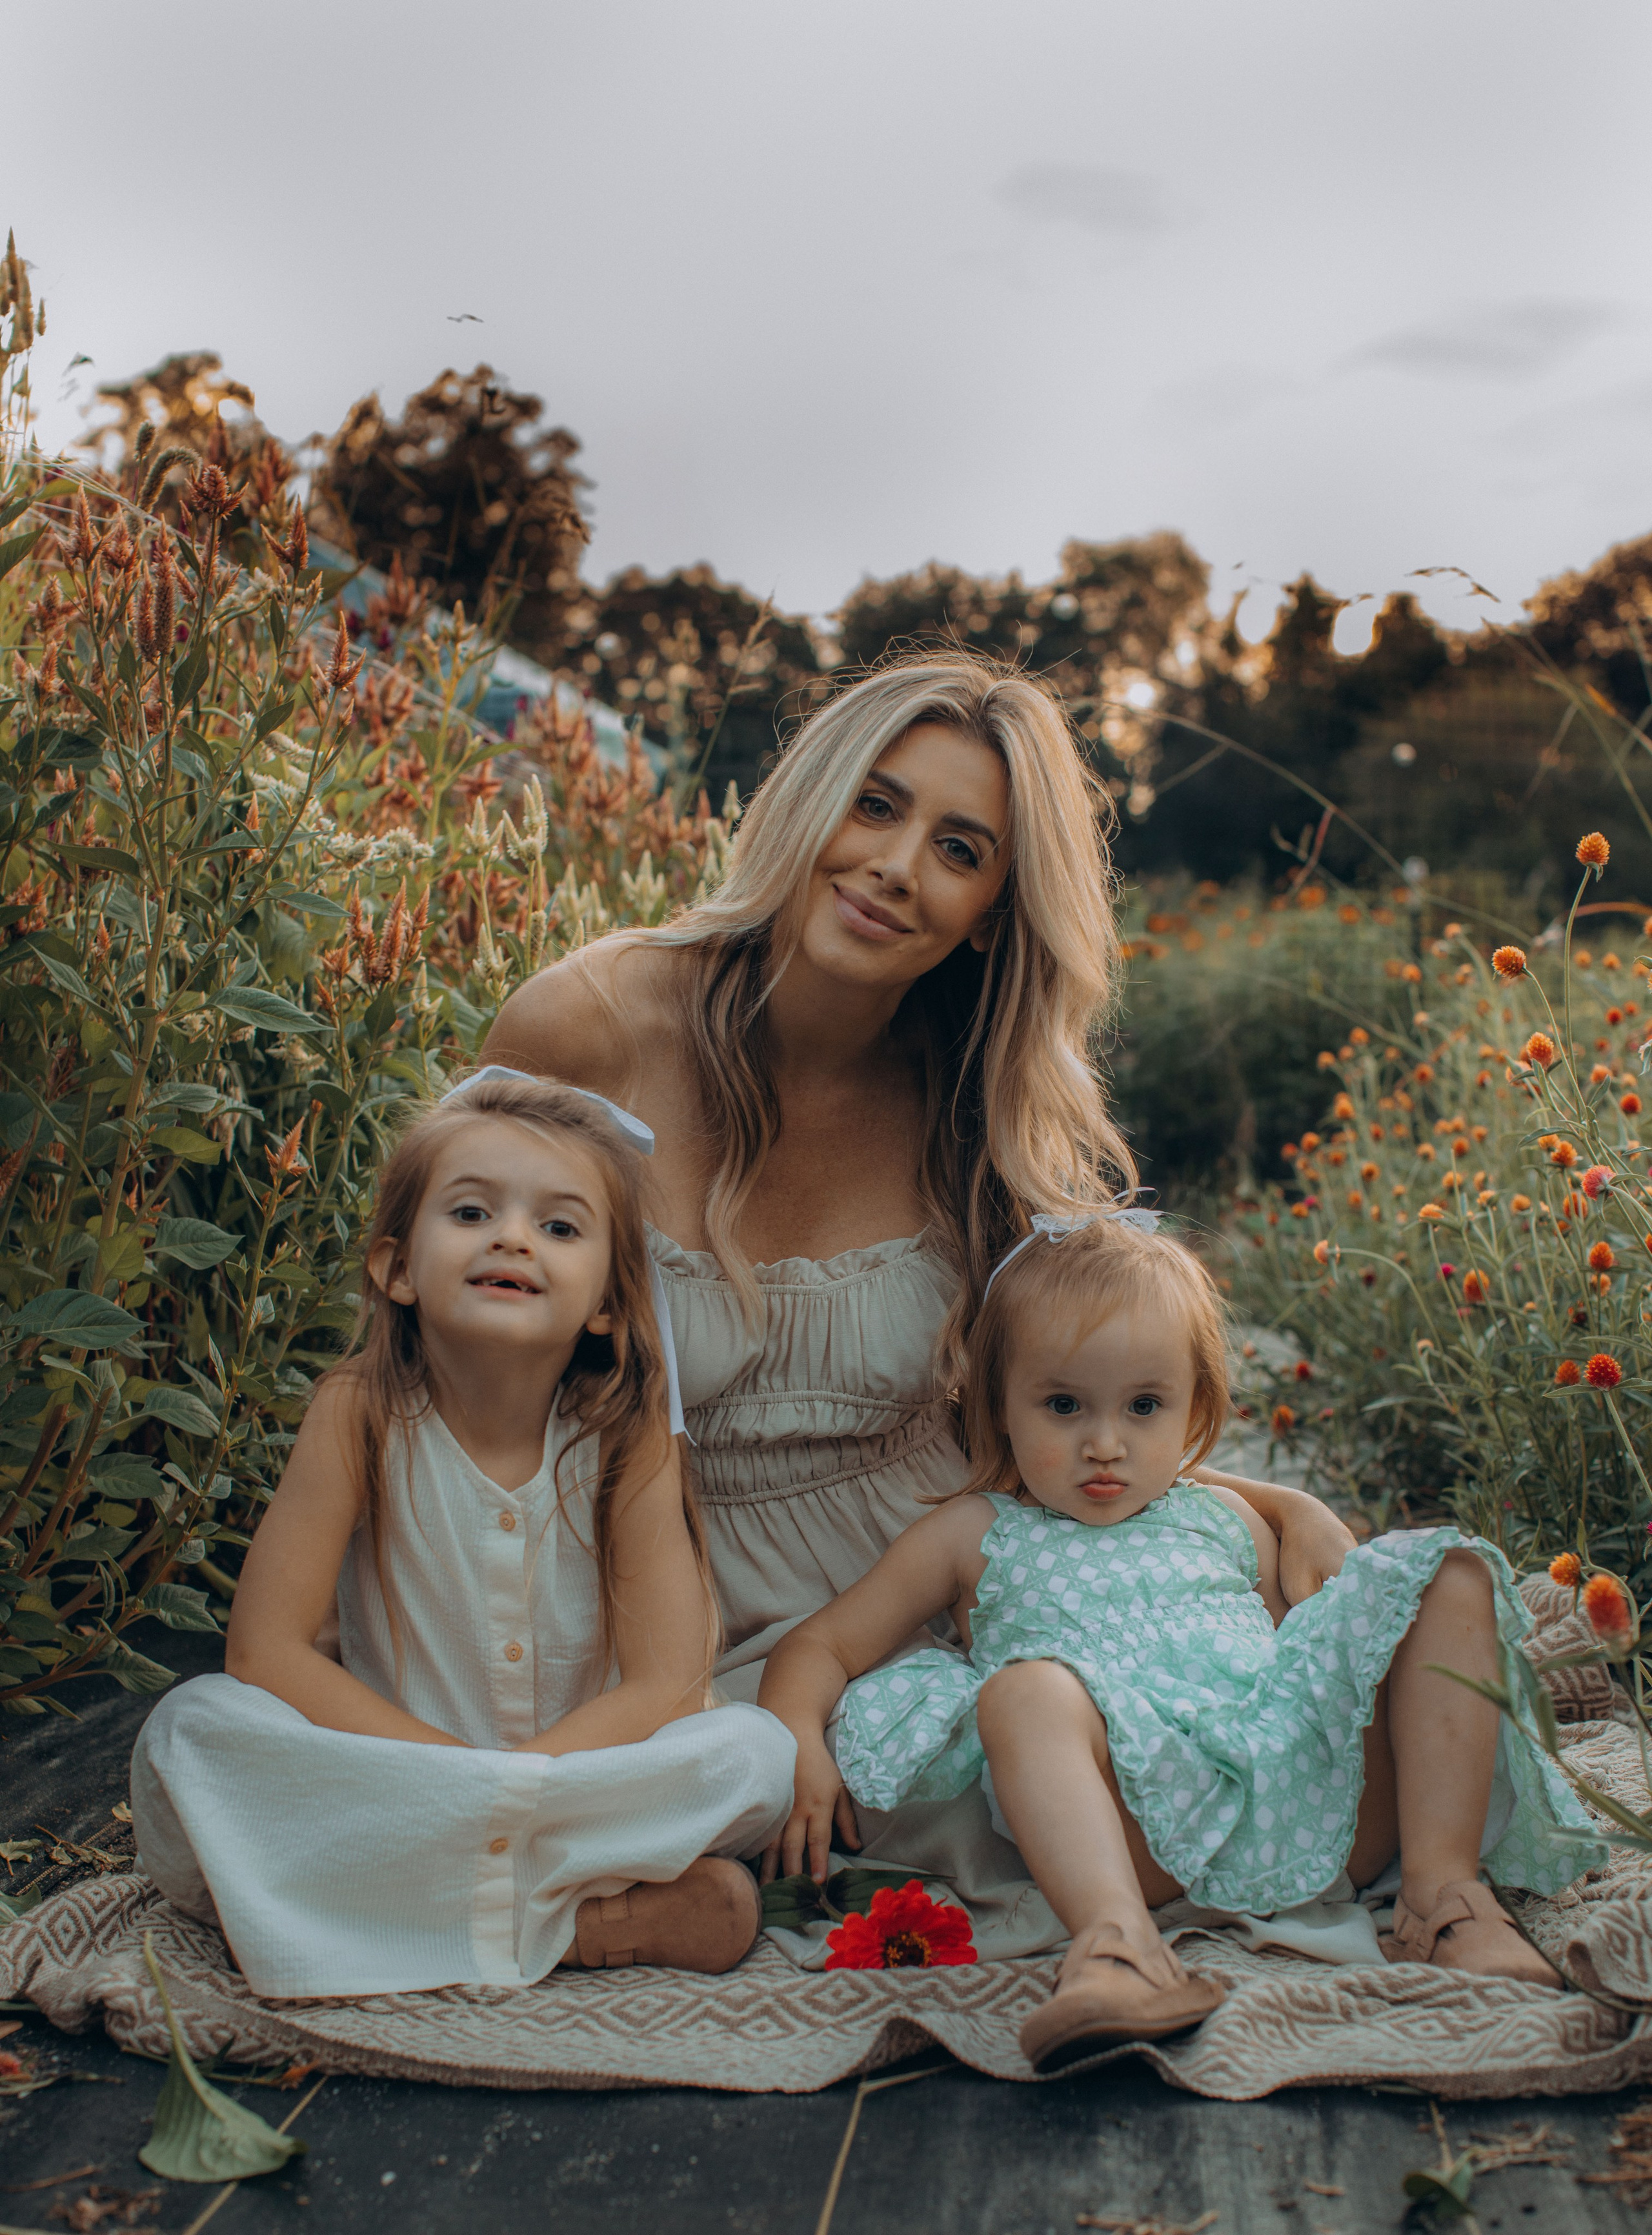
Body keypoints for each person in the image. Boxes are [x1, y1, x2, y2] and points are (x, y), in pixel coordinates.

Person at [483, 651, 1360, 1954]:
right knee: (616, 1762)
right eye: (875, 806)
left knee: (1079, 1763)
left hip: (910, 1595)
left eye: (958, 848)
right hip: (647, 1577)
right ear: (808, 800)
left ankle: (662, 1892)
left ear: (996, 910)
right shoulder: (591, 1024)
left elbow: (1073, 1384)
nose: (896, 866)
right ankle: (636, 1885)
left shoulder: (982, 1096)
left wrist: (1257, 1504)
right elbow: (436, 1312)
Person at [758, 1215, 1602, 2071]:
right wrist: (797, 1737)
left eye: (1144, 1406)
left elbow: (1313, 1658)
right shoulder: (973, 1532)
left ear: (1195, 1408)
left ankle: (1443, 1895)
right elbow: (822, 1645)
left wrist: (1307, 1526)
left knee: (1449, 1572)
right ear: (999, 1405)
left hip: (1306, 1808)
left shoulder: (1229, 1517)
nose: (1104, 1444)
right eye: (1062, 1405)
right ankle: (1121, 1948)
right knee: (1024, 1691)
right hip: (1131, 1830)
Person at [130, 1073, 796, 1997]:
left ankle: (364, 1912)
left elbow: (668, 1681)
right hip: (397, 1776)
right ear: (396, 1268)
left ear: (607, 1299)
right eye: (473, 1211)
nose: (514, 1237)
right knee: (190, 1736)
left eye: (561, 1227)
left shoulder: (627, 1436)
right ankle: (581, 1923)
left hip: (581, 1778)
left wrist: (520, 1777)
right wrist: (457, 1776)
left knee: (753, 1757)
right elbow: (266, 1651)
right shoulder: (358, 1414)